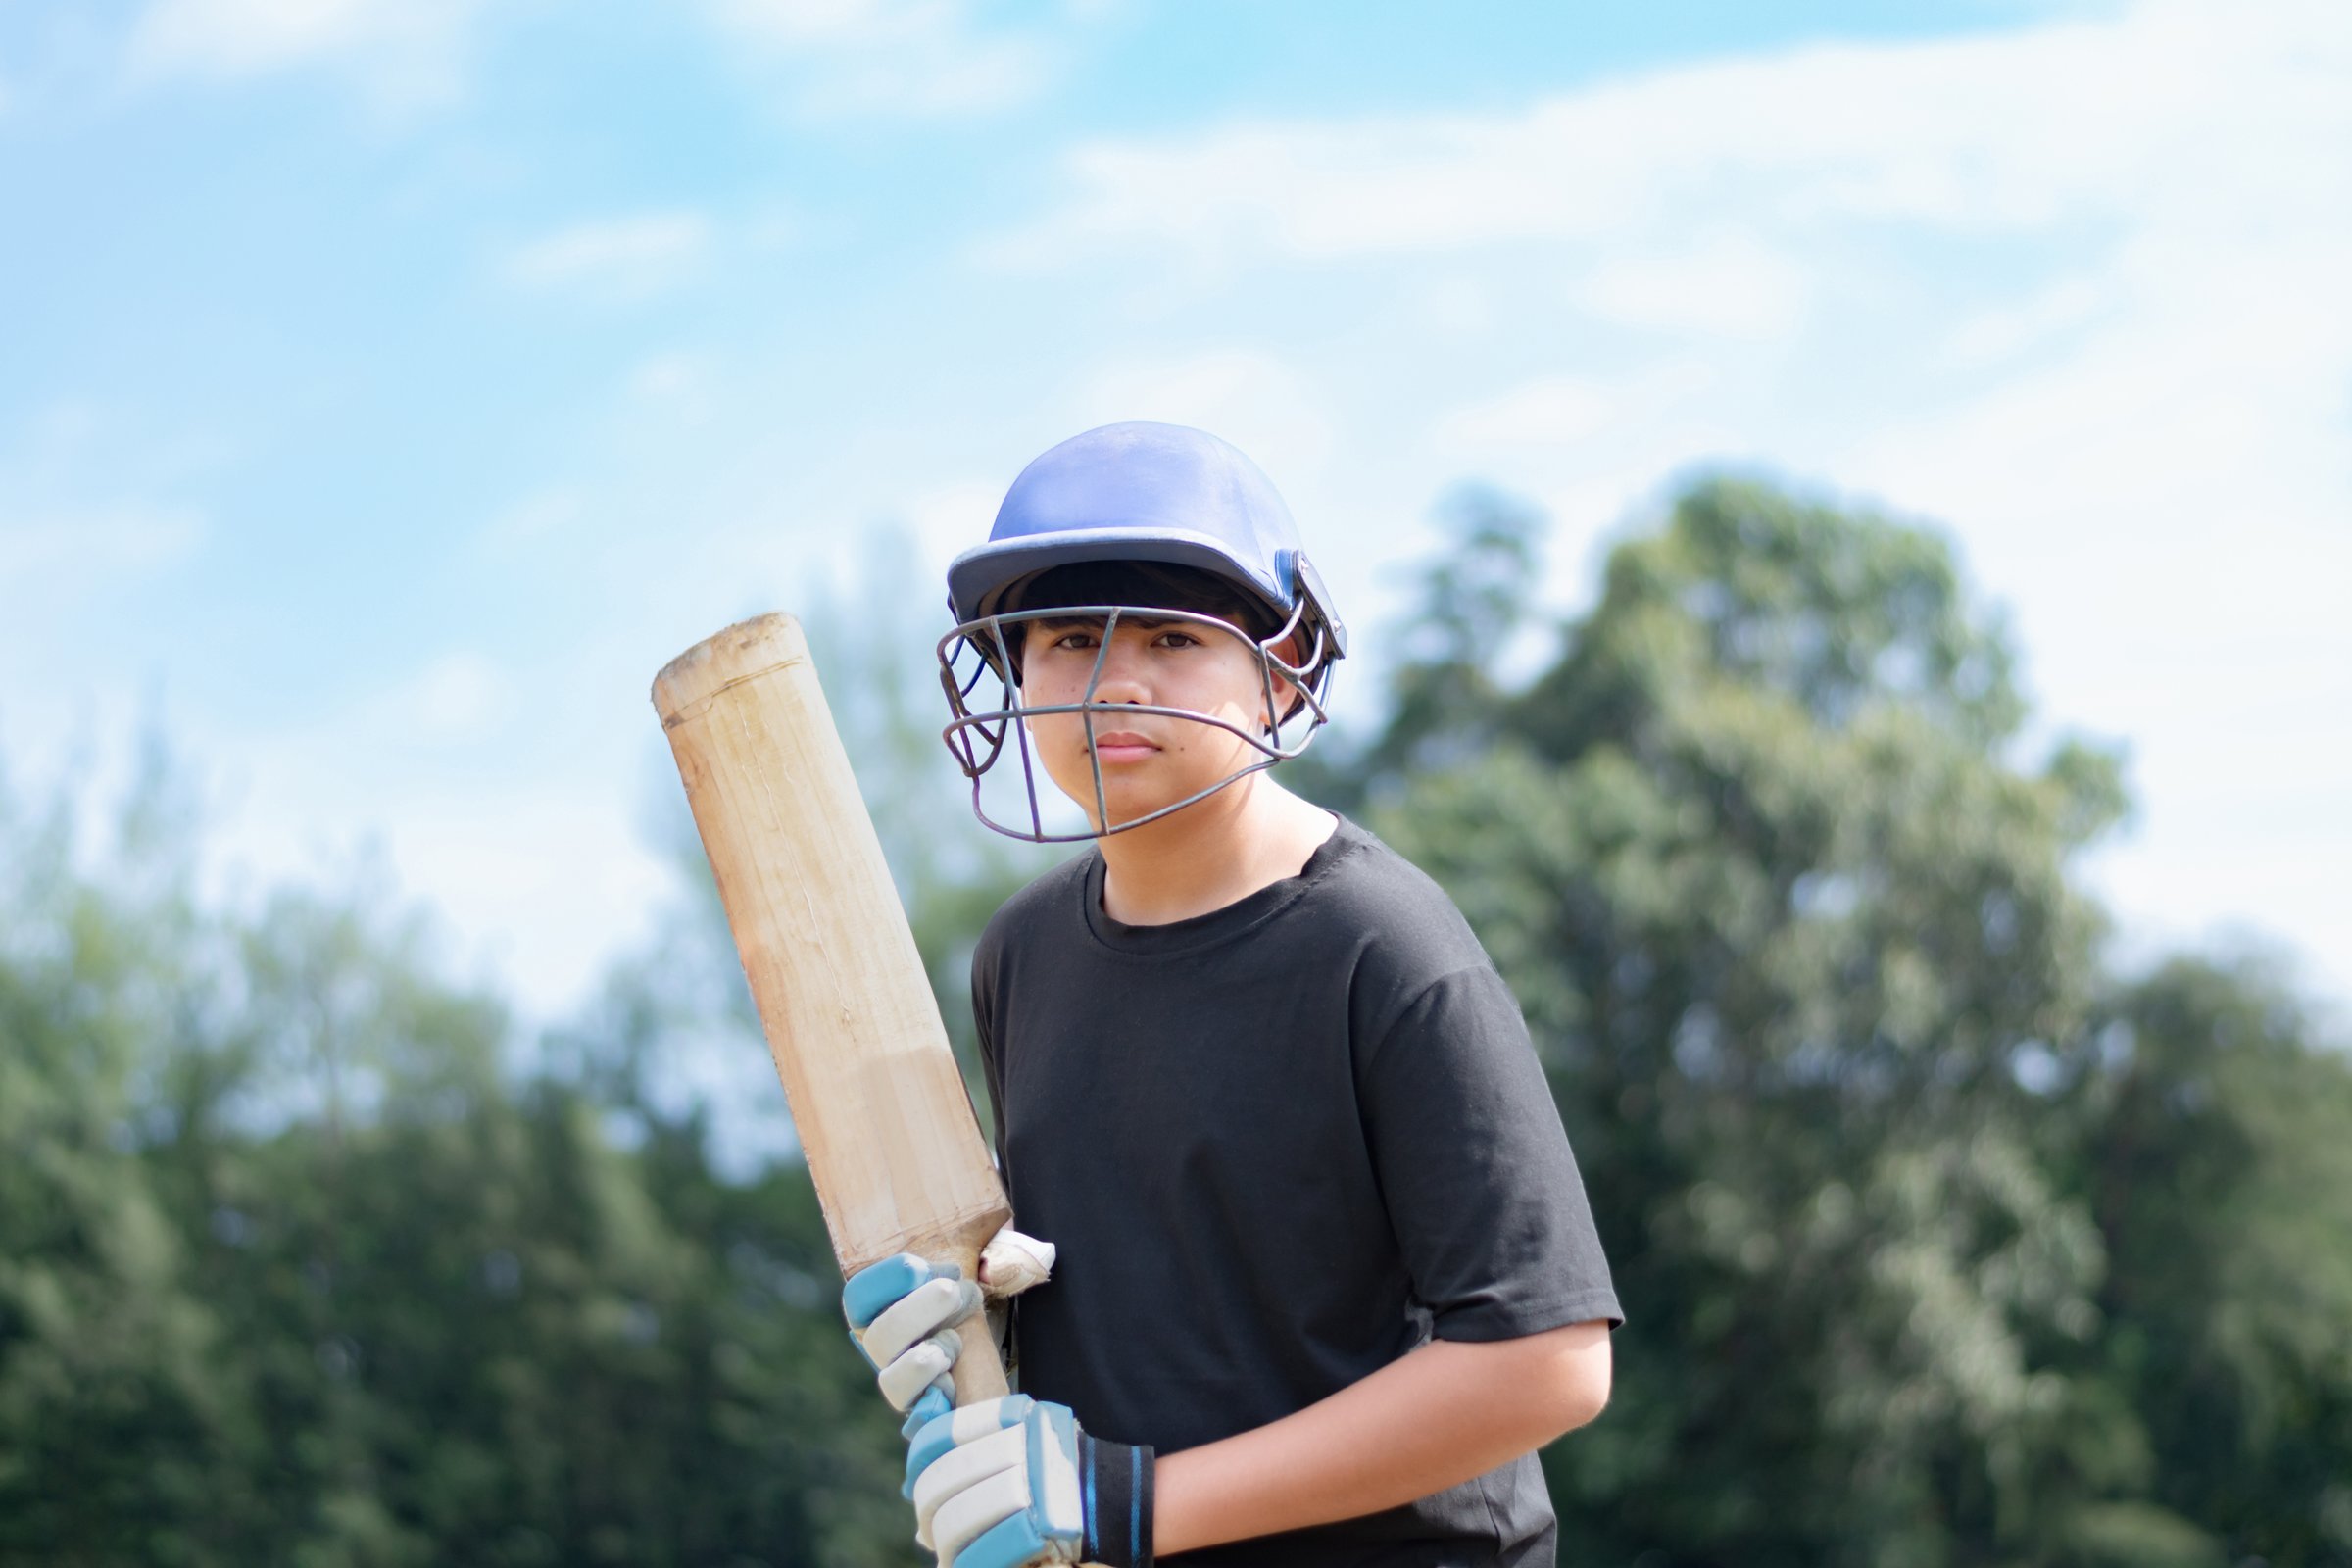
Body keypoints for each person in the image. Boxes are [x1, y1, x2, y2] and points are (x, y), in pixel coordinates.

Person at [842, 421, 1621, 1567]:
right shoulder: (1022, 956)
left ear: (1278, 665)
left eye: (1169, 635)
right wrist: (970, 1312)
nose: (1115, 682)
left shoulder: (1381, 946)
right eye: (1066, 638)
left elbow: (1547, 1361)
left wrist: (1135, 1504)